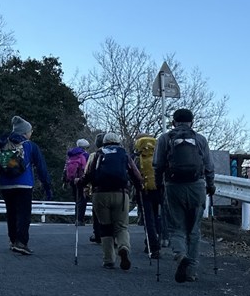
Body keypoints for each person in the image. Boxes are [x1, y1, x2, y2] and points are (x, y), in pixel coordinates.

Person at [155, 108, 216, 283]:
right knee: (194, 229)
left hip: (173, 187)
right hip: (197, 186)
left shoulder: (165, 138)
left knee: (177, 227)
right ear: (192, 122)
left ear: (173, 122)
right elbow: (209, 165)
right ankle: (191, 272)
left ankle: (180, 255)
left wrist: (159, 185)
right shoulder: (200, 139)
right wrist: (210, 185)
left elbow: (158, 165)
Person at [0, 115, 53, 255]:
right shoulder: (30, 146)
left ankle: (13, 241)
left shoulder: (2, 144)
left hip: (5, 185)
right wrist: (47, 186)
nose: (31, 133)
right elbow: (41, 167)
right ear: (24, 132)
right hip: (24, 184)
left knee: (11, 213)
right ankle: (21, 242)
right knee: (24, 214)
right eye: (30, 131)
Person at [80, 132, 143, 270]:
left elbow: (89, 174)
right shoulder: (123, 154)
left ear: (104, 142)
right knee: (121, 226)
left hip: (100, 194)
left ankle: (108, 260)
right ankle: (123, 247)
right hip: (121, 194)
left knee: (105, 226)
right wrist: (140, 187)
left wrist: (80, 183)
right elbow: (135, 174)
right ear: (118, 142)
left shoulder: (98, 154)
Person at [134, 133, 163, 258]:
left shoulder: (138, 158)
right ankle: (158, 239)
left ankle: (152, 245)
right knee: (157, 216)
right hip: (159, 190)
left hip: (144, 191)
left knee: (148, 218)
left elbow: (133, 175)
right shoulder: (158, 156)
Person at [64, 138, 91, 225]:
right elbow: (88, 168)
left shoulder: (71, 155)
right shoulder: (86, 155)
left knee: (77, 199)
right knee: (83, 199)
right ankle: (80, 219)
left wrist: (65, 181)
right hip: (81, 180)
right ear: (85, 147)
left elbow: (66, 168)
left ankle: (77, 218)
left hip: (72, 180)